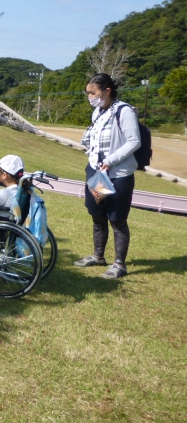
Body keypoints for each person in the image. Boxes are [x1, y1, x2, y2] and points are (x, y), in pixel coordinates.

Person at [74, 73, 141, 280]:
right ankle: (98, 256)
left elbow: (134, 141)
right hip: (97, 173)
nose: (90, 97)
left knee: (117, 219)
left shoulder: (124, 111)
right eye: (88, 93)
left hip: (118, 175)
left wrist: (110, 160)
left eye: (93, 93)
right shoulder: (98, 112)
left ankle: (119, 265)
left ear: (106, 91)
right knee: (98, 214)